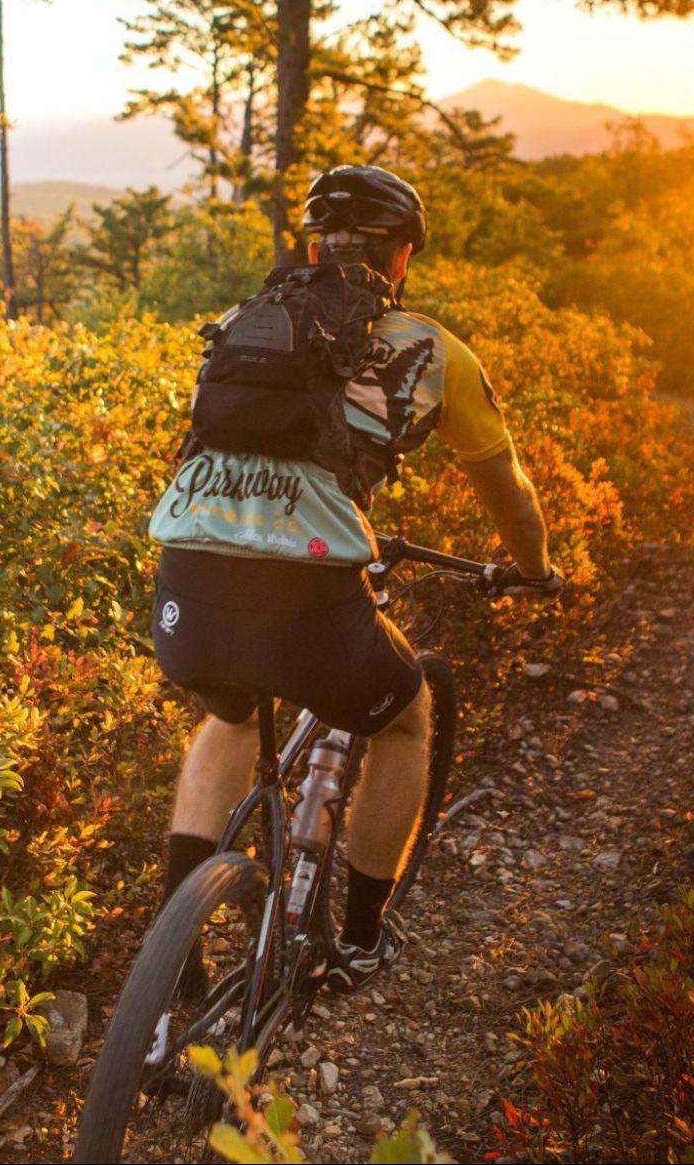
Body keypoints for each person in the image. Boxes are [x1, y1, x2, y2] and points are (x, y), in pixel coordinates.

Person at [146, 165, 563, 992]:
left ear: (313, 248)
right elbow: (509, 493)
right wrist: (533, 570)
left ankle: (171, 962)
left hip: (184, 578)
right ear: (401, 256)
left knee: (230, 715)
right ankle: (363, 937)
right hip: (307, 597)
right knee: (407, 716)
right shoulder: (430, 349)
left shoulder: (237, 325)